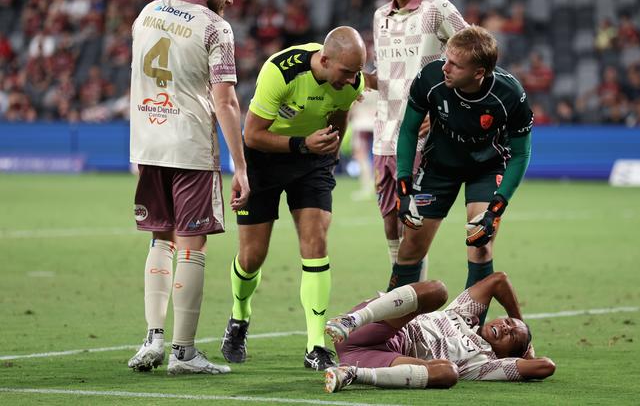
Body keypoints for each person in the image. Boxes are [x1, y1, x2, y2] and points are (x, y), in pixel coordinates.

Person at [127, 0, 250, 375]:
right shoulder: (215, 28)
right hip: (190, 146)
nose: (232, 0)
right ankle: (183, 352)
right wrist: (241, 165)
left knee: (160, 239)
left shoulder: (147, 13)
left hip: (148, 143)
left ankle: (152, 341)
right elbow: (226, 100)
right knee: (192, 246)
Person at [220, 26, 366, 371]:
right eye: (346, 72)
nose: (352, 80)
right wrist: (302, 144)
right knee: (252, 256)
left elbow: (339, 116)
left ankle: (315, 344)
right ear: (325, 59)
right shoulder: (280, 72)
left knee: (316, 242)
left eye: (357, 73)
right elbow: (252, 135)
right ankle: (239, 318)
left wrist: (329, 154)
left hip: (311, 162)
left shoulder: (351, 82)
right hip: (265, 159)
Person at [389, 26, 533, 325]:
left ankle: (467, 333)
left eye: (455, 64)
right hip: (438, 168)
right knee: (411, 246)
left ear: (479, 72)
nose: (445, 67)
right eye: (446, 59)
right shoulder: (430, 79)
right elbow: (408, 131)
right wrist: (404, 188)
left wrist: (496, 209)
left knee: (479, 243)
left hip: (487, 168)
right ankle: (392, 328)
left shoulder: (510, 95)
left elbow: (520, 154)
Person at [363, 0, 468, 281]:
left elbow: (477, 56)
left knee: (414, 224)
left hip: (423, 137)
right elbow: (383, 75)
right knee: (390, 222)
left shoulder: (438, 9)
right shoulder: (380, 17)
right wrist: (356, 78)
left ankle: (408, 299)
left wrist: (442, 111)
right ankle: (403, 295)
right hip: (384, 135)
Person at [324, 272, 555, 392]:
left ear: (509, 354)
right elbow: (499, 280)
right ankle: (351, 319)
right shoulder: (463, 313)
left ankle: (352, 374)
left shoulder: (487, 362)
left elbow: (546, 366)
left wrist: (528, 352)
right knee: (437, 290)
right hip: (367, 329)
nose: (506, 327)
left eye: (511, 335)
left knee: (449, 373)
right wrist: (519, 322)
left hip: (378, 360)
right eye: (507, 321)